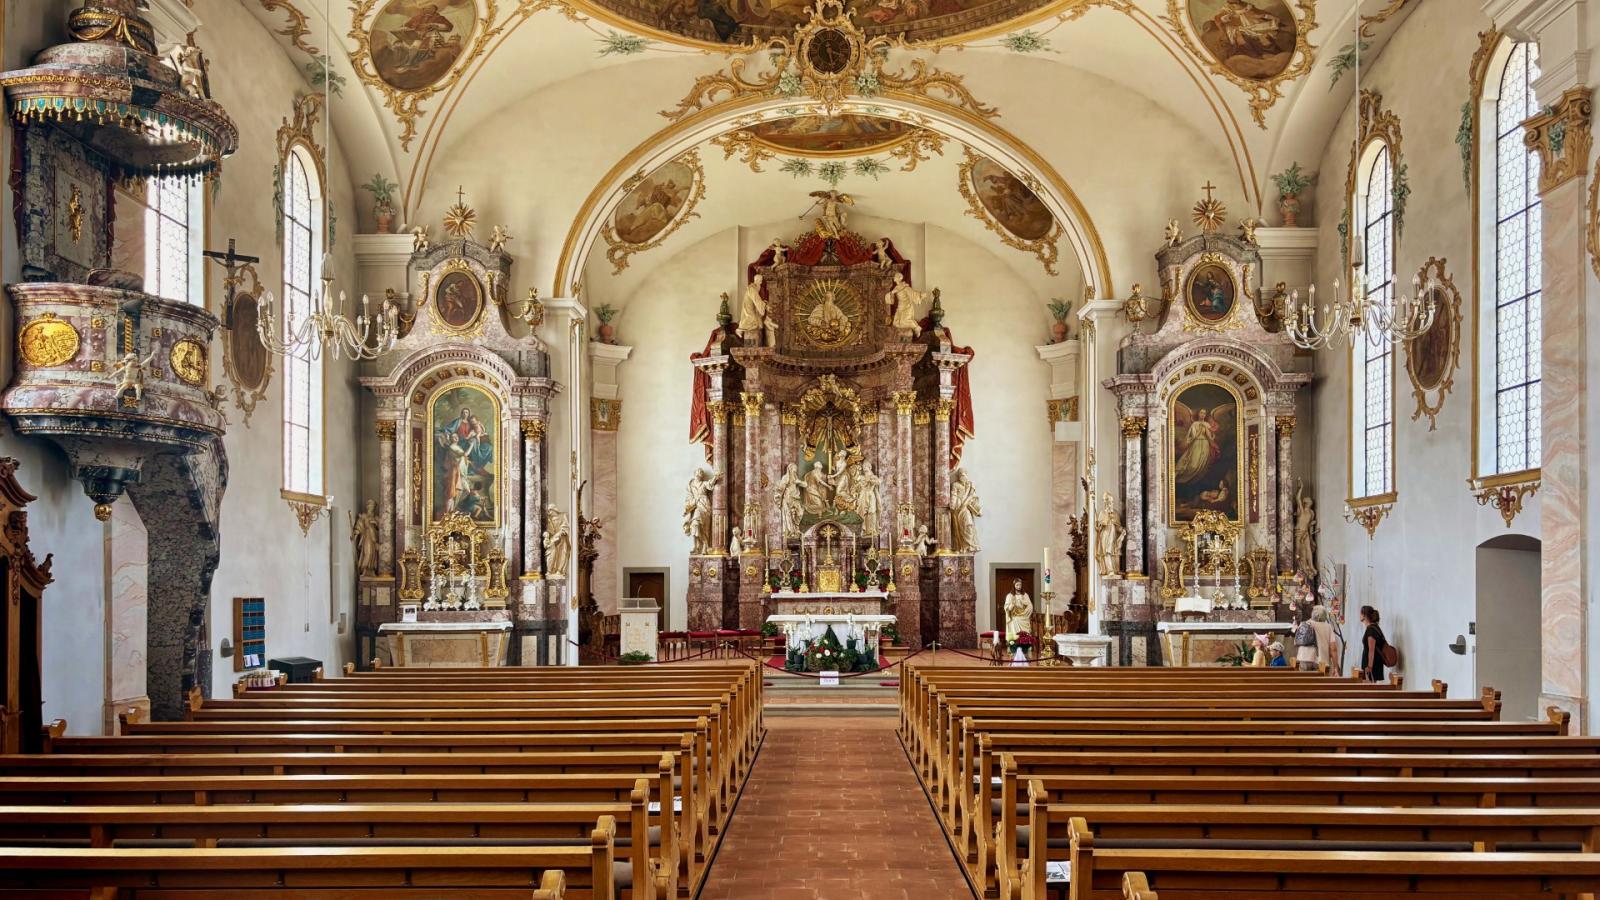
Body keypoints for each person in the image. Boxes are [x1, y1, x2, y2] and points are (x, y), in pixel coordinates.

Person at [1360, 605, 1388, 682]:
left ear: (1364, 615)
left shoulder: (1371, 630)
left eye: (1361, 613)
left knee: (1368, 689)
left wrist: (1369, 666)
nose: (1359, 615)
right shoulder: (1375, 627)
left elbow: (1371, 650)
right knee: (1371, 688)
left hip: (1371, 666)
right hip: (1374, 664)